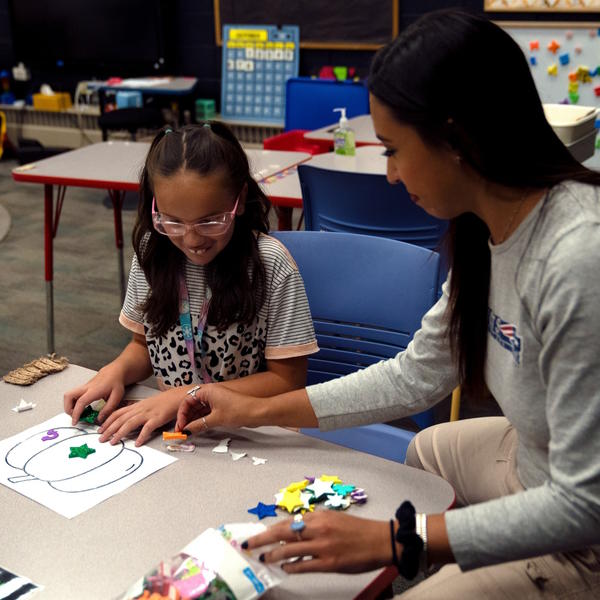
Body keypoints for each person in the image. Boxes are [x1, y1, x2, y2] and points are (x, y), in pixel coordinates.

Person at [174, 10, 600, 598]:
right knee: (425, 448)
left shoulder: (579, 258)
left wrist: (395, 541)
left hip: (584, 538)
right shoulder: (486, 225)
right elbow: (416, 376)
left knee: (411, 525)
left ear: (458, 139)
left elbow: (586, 505)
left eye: (395, 150)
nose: (392, 175)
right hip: (533, 459)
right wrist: (251, 411)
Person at [64, 122, 318, 446]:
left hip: (254, 434)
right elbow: (143, 347)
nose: (192, 239)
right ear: (155, 207)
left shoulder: (270, 266)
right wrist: (116, 371)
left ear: (239, 199)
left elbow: (288, 382)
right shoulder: (152, 252)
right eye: (172, 221)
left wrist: (187, 394)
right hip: (176, 433)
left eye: (210, 221)